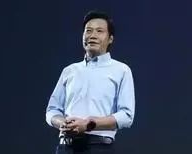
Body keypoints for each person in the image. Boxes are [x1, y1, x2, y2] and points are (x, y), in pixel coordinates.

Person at [46, 11, 135, 153]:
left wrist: (88, 124)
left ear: (110, 39)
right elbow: (52, 110)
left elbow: (126, 116)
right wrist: (62, 123)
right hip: (66, 146)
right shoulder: (69, 70)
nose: (92, 35)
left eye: (99, 31)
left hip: (99, 147)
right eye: (88, 31)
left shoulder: (121, 70)